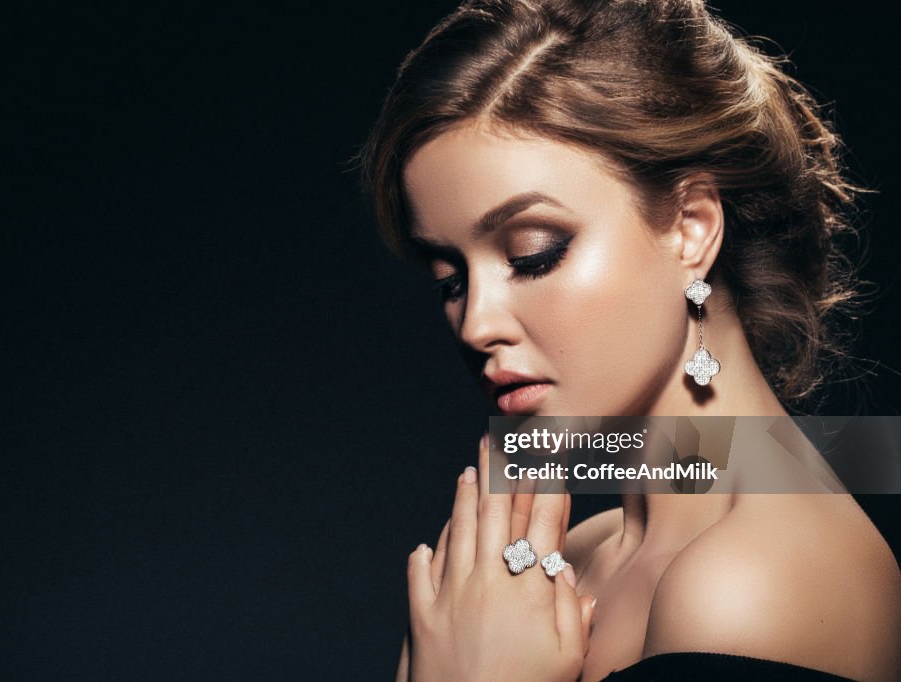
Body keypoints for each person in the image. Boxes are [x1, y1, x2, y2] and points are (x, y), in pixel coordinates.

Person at [358, 0, 901, 679]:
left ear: (691, 229)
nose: (476, 325)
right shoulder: (573, 557)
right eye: (451, 280)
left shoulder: (751, 584)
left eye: (533, 254)